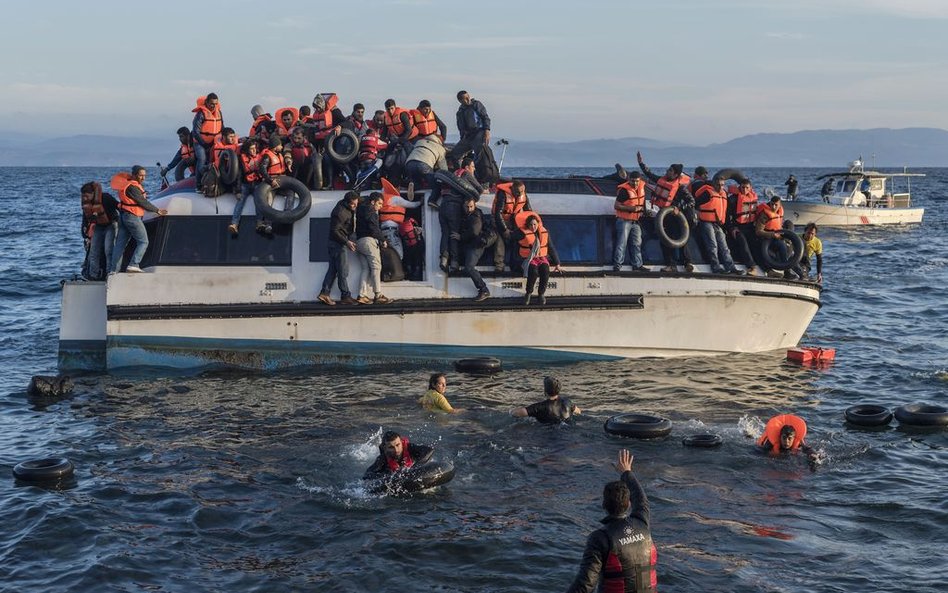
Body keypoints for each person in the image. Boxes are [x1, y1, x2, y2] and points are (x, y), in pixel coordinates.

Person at [565, 449, 657, 593]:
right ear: (629, 504)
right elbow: (641, 499)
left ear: (604, 505)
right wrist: (627, 472)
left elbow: (586, 585)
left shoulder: (600, 538)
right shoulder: (642, 523)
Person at [637, 151, 695, 273]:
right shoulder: (661, 180)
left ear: (676, 174)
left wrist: (679, 208)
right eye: (668, 169)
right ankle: (670, 264)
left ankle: (687, 263)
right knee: (665, 240)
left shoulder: (680, 188)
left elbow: (691, 201)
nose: (667, 172)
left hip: (676, 216)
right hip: (664, 216)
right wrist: (641, 163)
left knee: (681, 239)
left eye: (670, 170)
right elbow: (648, 173)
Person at [109, 166, 168, 273]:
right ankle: (133, 264)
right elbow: (142, 202)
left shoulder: (127, 185)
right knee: (143, 241)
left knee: (120, 245)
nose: (143, 178)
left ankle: (114, 270)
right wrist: (157, 210)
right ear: (134, 175)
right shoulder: (133, 188)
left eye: (144, 175)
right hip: (132, 217)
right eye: (141, 175)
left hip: (124, 216)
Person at [317, 191, 360, 306]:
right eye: (353, 204)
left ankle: (324, 293)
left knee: (333, 269)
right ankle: (345, 296)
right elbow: (335, 231)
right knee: (343, 270)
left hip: (334, 243)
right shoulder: (340, 212)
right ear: (347, 203)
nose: (355, 207)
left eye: (356, 204)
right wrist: (347, 242)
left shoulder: (345, 207)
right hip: (338, 244)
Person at [693, 176, 742, 274]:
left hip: (718, 224)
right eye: (718, 185)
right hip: (706, 222)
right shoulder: (707, 193)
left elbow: (725, 212)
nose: (720, 187)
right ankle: (715, 266)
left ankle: (730, 267)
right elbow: (695, 203)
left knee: (724, 246)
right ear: (714, 184)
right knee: (712, 245)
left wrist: (729, 226)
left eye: (722, 185)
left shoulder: (724, 194)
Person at [355, 192, 394, 304]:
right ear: (373, 202)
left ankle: (362, 295)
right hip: (369, 241)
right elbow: (374, 229)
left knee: (365, 269)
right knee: (376, 267)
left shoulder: (360, 209)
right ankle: (378, 294)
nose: (381, 206)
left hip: (359, 241)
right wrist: (383, 240)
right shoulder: (371, 211)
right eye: (379, 204)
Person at [515, 213, 561, 305]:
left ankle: (541, 294)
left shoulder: (544, 232)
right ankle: (528, 293)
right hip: (528, 258)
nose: (533, 227)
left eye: (535, 224)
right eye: (531, 225)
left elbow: (551, 247)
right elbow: (513, 245)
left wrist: (557, 263)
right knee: (533, 271)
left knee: (545, 270)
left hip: (541, 257)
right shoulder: (521, 233)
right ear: (527, 225)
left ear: (538, 224)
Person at [459, 195, 498, 301]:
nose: (469, 209)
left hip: (477, 245)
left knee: (469, 267)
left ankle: (484, 289)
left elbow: (474, 231)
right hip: (473, 244)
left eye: (471, 206)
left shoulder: (475, 216)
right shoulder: (468, 215)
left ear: (474, 206)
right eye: (467, 207)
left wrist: (460, 237)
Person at [80, 181, 119, 280]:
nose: (85, 198)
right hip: (98, 226)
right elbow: (85, 219)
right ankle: (93, 275)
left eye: (87, 195)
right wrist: (85, 234)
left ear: (93, 193)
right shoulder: (86, 204)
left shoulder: (105, 197)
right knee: (93, 251)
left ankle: (110, 274)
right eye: (83, 196)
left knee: (108, 250)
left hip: (111, 225)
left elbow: (118, 206)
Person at [492, 180, 532, 273]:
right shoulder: (503, 194)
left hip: (514, 219)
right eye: (518, 192)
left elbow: (528, 211)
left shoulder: (523, 195)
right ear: (513, 190)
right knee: (500, 237)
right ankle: (499, 265)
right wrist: (504, 230)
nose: (520, 194)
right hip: (500, 219)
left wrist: (531, 222)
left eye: (522, 191)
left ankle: (516, 263)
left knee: (520, 236)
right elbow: (498, 213)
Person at [613, 171, 649, 272]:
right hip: (624, 220)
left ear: (640, 180)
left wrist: (645, 211)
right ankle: (617, 265)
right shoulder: (624, 191)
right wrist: (632, 209)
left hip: (635, 221)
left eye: (637, 181)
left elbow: (642, 201)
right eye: (633, 181)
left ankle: (637, 265)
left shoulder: (641, 188)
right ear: (629, 180)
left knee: (637, 243)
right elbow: (616, 205)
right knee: (621, 244)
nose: (635, 183)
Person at [363, 430, 434, 480]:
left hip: (415, 471)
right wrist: (387, 477)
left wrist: (414, 468)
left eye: (398, 445)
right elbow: (367, 474)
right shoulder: (382, 459)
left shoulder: (410, 448)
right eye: (391, 447)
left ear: (401, 442)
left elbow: (429, 451)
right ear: (385, 448)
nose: (396, 450)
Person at [379, 178, 422, 260]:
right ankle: (397, 271)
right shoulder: (395, 199)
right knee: (398, 255)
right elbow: (412, 205)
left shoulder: (383, 197)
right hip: (391, 230)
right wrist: (421, 202)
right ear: (396, 187)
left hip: (384, 230)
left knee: (388, 255)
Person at [726, 178, 761, 275]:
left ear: (750, 188)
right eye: (743, 187)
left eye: (747, 188)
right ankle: (751, 266)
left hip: (750, 226)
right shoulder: (733, 199)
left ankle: (766, 268)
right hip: (737, 227)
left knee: (755, 243)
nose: (744, 190)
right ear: (739, 187)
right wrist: (731, 228)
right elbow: (727, 216)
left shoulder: (753, 198)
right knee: (742, 241)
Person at [510, 376, 581, 423]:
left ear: (545, 391)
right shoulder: (567, 402)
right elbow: (579, 411)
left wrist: (511, 411)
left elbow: (516, 413)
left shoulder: (540, 407)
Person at [255, 135, 288, 235]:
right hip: (271, 183)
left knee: (290, 193)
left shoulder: (279, 154)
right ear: (275, 146)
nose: (282, 147)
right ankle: (267, 223)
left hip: (281, 180)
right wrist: (270, 181)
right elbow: (262, 169)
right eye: (280, 145)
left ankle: (287, 212)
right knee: (269, 201)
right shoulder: (267, 156)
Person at [191, 93, 223, 191]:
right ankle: (198, 185)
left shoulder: (219, 113)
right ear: (207, 103)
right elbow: (195, 132)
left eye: (215, 104)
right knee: (202, 159)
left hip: (214, 143)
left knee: (214, 161)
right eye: (211, 104)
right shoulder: (201, 114)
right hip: (200, 143)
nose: (213, 106)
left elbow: (222, 127)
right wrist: (204, 144)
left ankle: (212, 183)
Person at [229, 139, 261, 235]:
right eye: (251, 149)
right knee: (240, 201)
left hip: (256, 183)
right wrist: (238, 190)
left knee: (259, 201)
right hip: (245, 184)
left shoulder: (260, 157)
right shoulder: (241, 159)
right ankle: (234, 224)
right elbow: (239, 175)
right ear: (247, 150)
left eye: (254, 148)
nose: (254, 151)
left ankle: (259, 222)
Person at [450, 90, 491, 160]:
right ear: (460, 100)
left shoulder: (476, 104)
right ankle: (461, 169)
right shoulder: (460, 112)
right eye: (465, 98)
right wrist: (462, 137)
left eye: (468, 97)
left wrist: (487, 131)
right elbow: (460, 127)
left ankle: (480, 169)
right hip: (468, 136)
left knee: (480, 155)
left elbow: (485, 117)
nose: (468, 99)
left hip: (479, 133)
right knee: (455, 153)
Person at [755, 194, 788, 278]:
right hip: (765, 237)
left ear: (779, 205)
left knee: (783, 246)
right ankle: (769, 270)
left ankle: (787, 270)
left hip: (776, 237)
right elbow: (758, 231)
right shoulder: (764, 215)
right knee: (760, 250)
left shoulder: (780, 212)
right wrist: (772, 235)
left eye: (776, 205)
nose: (773, 207)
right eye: (772, 204)